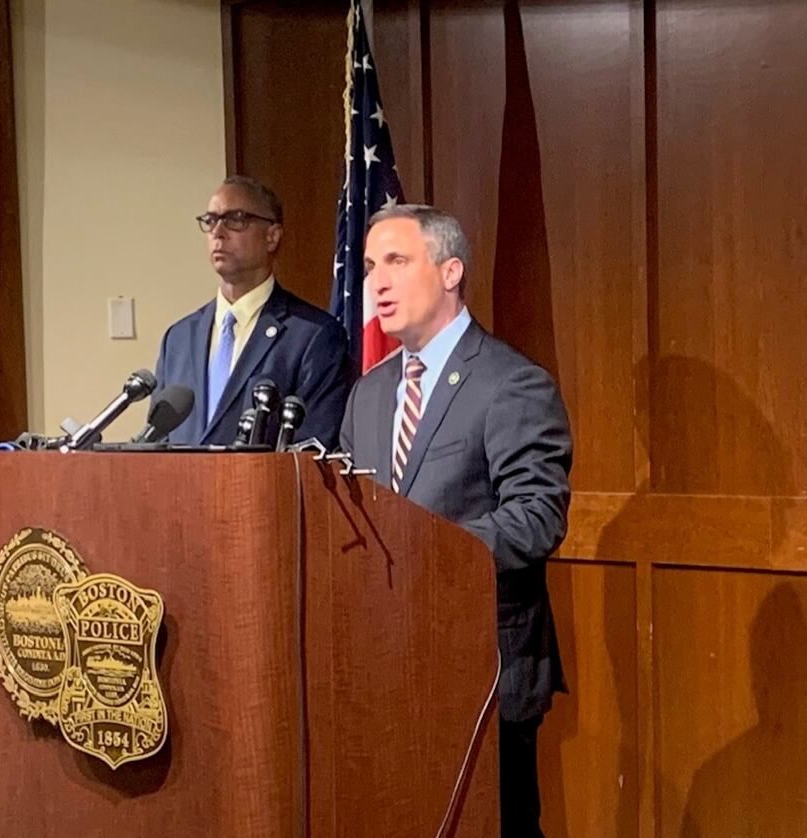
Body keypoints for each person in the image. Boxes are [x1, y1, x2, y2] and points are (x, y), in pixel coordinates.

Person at [339, 204, 572, 837]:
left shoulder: (511, 383)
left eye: (395, 261)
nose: (377, 282)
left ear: (450, 271)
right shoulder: (370, 392)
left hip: (483, 668)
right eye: (368, 266)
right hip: (385, 662)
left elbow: (537, 517)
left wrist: (424, 549)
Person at [152, 175, 351, 446]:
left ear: (272, 236)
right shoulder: (178, 338)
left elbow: (313, 447)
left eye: (235, 219)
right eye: (210, 220)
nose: (218, 232)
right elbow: (158, 440)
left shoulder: (313, 335)